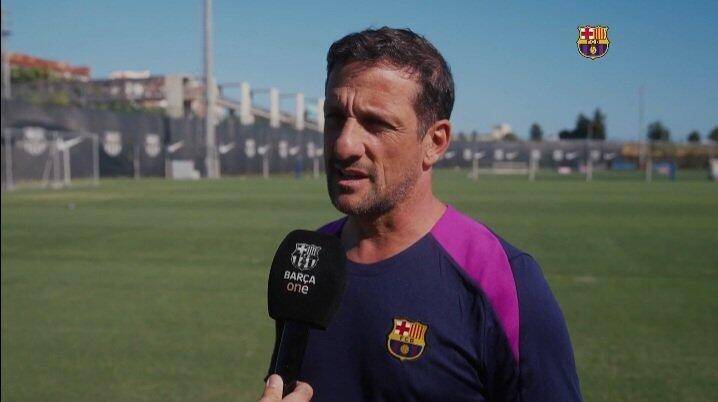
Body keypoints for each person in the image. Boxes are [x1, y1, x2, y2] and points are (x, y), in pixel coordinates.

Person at [267, 26, 582, 401]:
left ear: (434, 142)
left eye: (376, 123)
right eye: (334, 117)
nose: (344, 145)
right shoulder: (308, 262)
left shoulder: (504, 280)